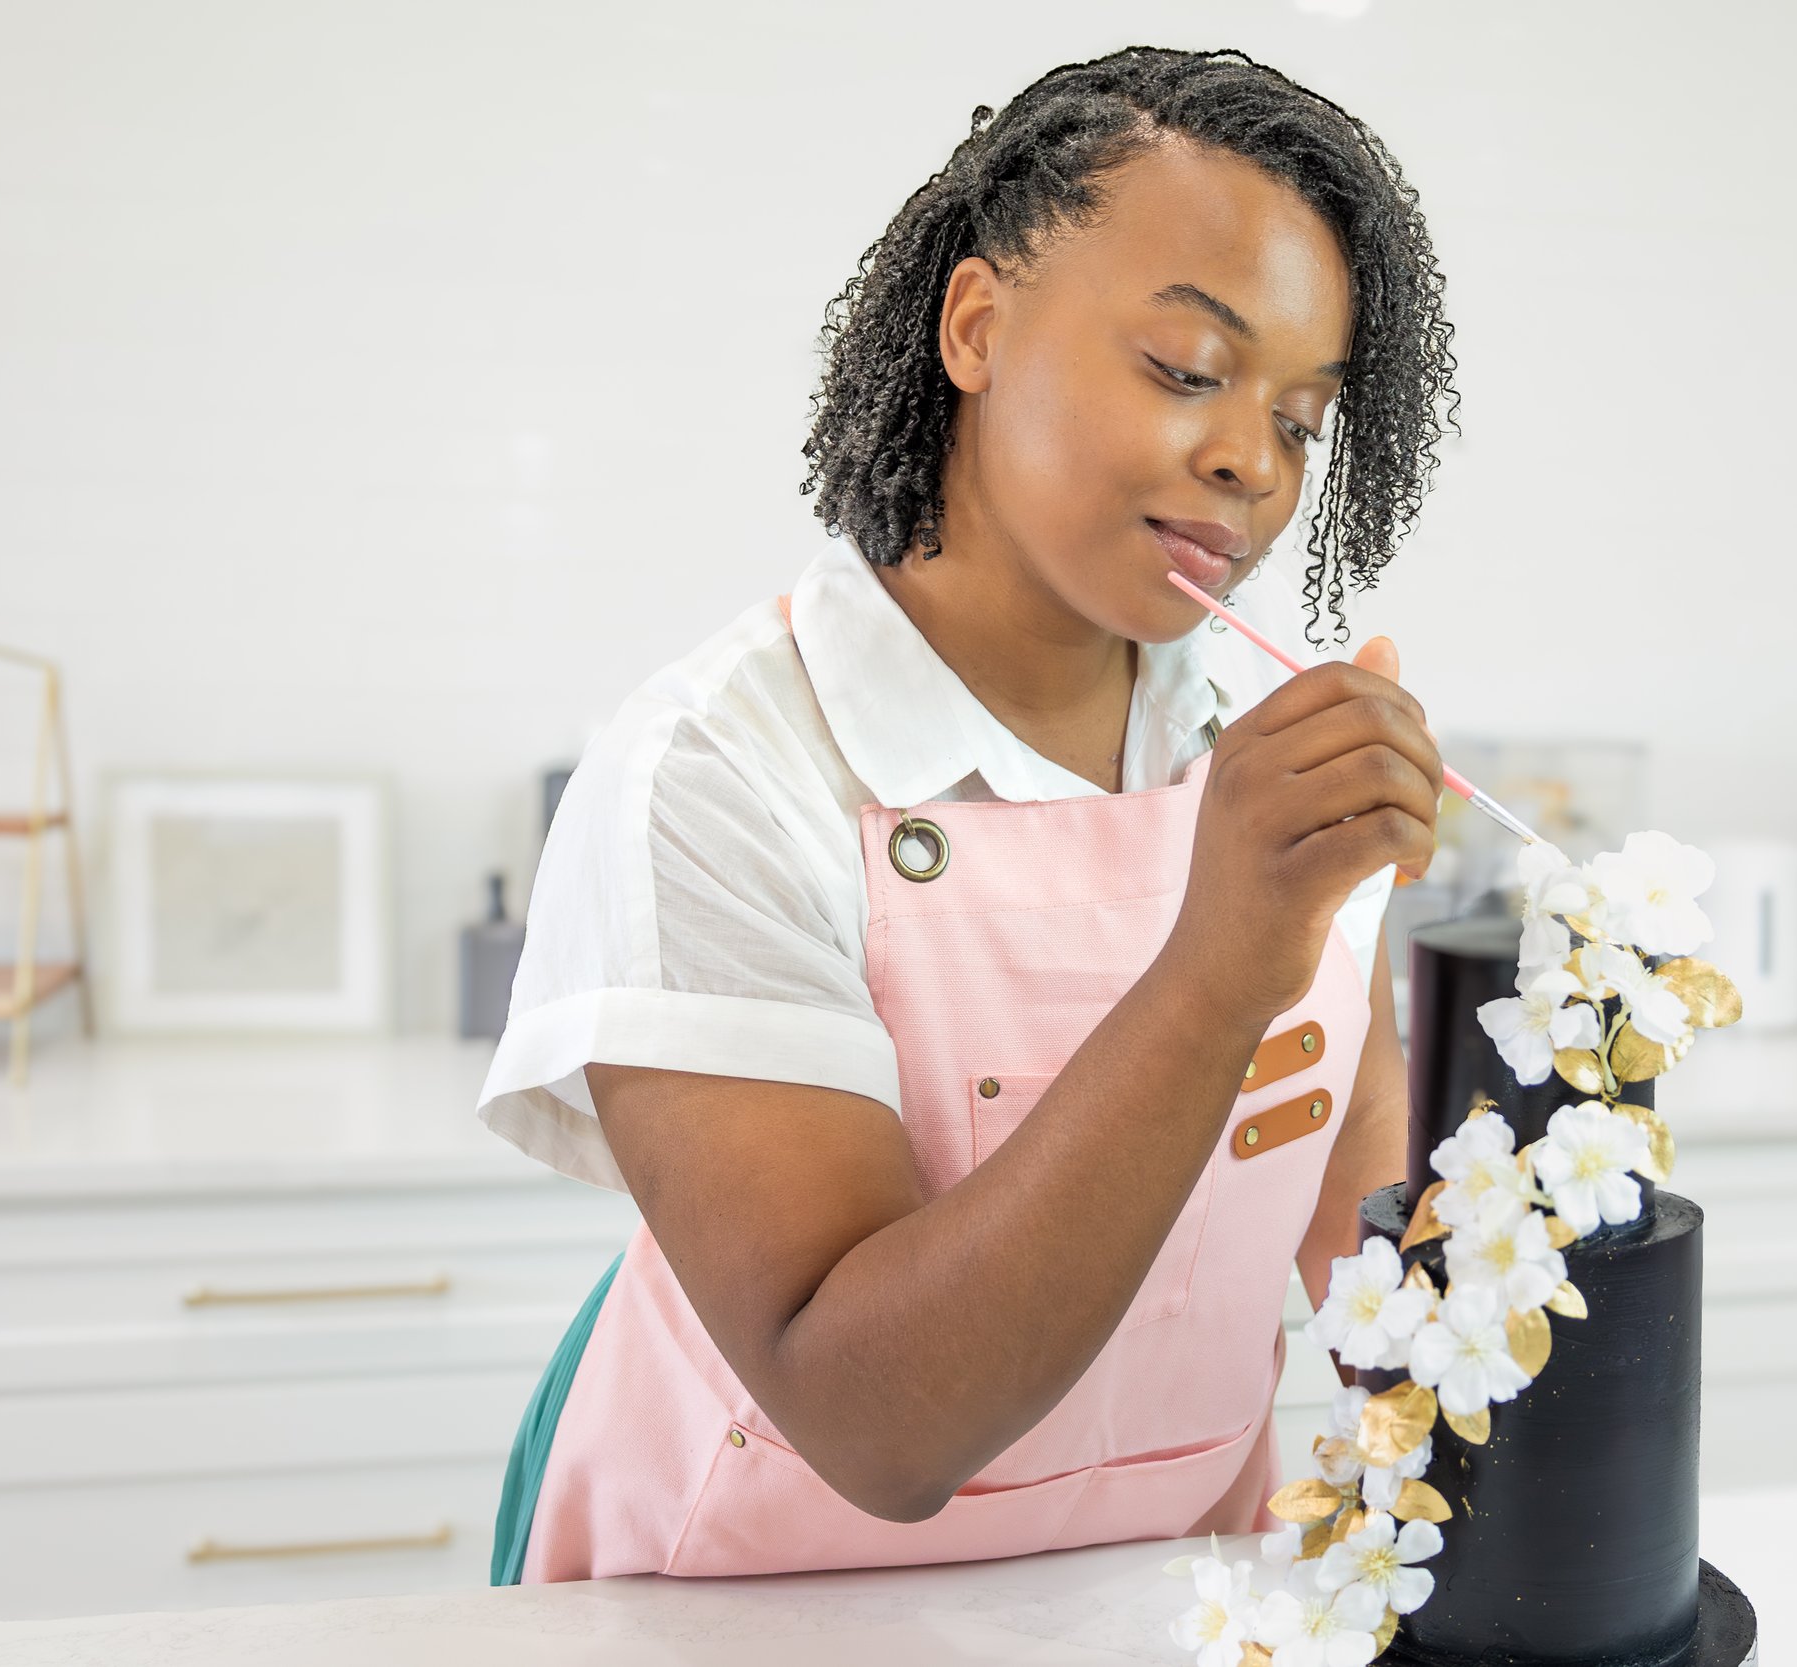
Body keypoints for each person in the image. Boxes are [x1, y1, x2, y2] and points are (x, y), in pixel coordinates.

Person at [478, 43, 1462, 1583]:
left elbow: (1382, 1279)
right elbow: (874, 1426)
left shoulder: (1260, 762)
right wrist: (1223, 958)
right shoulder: (717, 773)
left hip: (1151, 1596)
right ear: (979, 327)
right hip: (750, 1609)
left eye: (1301, 420)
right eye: (1190, 371)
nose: (1247, 464)